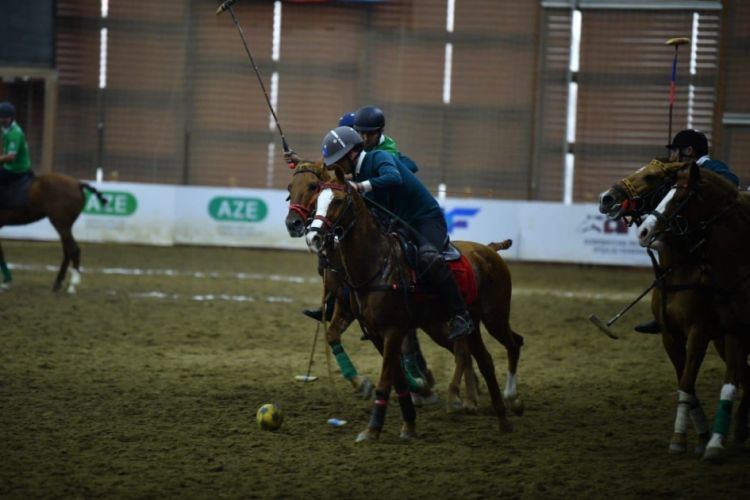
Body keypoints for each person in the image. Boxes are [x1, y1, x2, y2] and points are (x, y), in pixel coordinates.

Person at [320, 125, 473, 340]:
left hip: (426, 219)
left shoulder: (378, 157)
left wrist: (361, 187)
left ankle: (461, 315)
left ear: (352, 153)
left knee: (430, 258)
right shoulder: (356, 173)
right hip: (398, 223)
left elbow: (393, 177)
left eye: (339, 160)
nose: (337, 166)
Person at [634, 128, 740, 334]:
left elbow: (731, 182)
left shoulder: (710, 166)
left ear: (689, 150)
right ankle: (664, 313)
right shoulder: (678, 173)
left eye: (675, 150)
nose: (671, 156)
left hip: (711, 237)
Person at [0, 102, 32, 187]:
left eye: (4, 118)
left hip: (16, 169)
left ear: (11, 118)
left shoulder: (14, 134)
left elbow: (11, 157)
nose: (1, 120)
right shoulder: (7, 128)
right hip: (10, 165)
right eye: (1, 117)